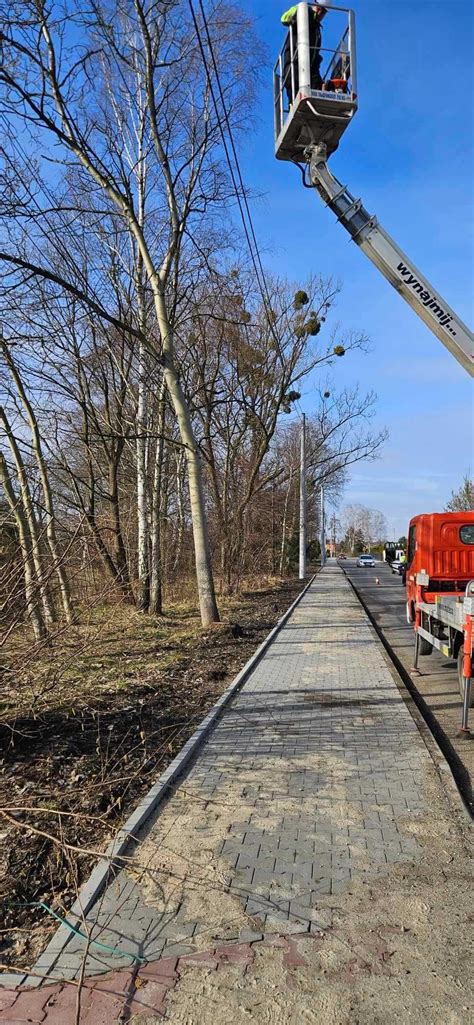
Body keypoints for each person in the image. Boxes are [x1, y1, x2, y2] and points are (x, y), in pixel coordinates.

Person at [281, 2, 329, 103]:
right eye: (321, 11)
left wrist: (320, 83)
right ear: (317, 7)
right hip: (294, 63)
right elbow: (284, 19)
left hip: (310, 68)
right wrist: (300, 9)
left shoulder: (317, 31)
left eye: (324, 12)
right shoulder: (304, 12)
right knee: (294, 92)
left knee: (317, 87)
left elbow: (315, 56)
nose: (322, 15)